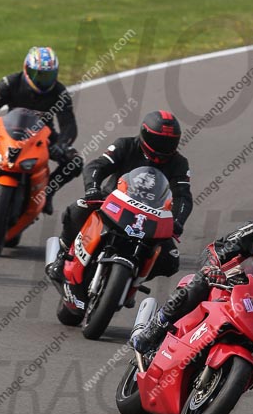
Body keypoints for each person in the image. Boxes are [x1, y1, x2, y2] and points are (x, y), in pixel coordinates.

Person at [131, 193, 253, 378]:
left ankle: (240, 377)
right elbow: (216, 249)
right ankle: (155, 328)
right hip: (229, 283)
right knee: (198, 283)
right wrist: (213, 268)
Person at [46, 110, 193, 314]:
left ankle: (132, 282)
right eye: (158, 141)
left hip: (151, 216)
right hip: (112, 202)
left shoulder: (179, 163)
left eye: (169, 142)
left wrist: (178, 221)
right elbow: (97, 166)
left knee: (170, 259)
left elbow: (183, 196)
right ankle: (63, 257)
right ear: (145, 134)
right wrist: (92, 189)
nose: (163, 148)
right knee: (77, 209)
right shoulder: (126, 145)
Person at [0, 46, 82, 214]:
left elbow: (69, 125)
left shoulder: (60, 92)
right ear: (26, 69)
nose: (42, 80)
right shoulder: (10, 82)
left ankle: (47, 193)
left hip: (43, 137)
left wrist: (62, 144)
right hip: (9, 131)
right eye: (38, 74)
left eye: (47, 76)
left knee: (74, 162)